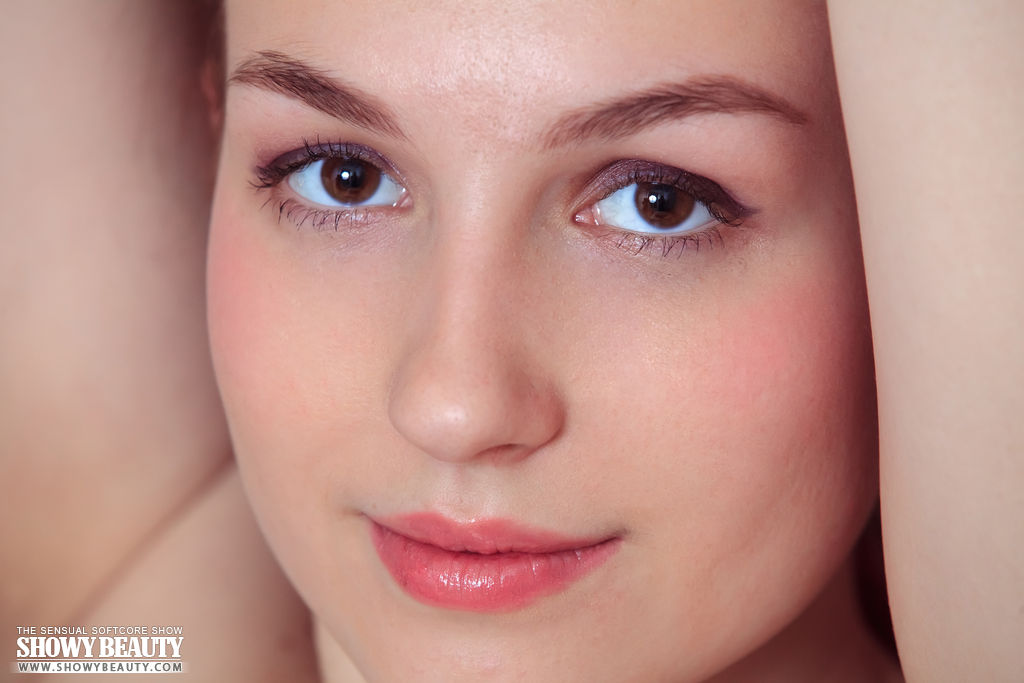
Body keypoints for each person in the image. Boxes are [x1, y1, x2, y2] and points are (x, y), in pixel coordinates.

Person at [3, 1, 1021, 681]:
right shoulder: (121, 647)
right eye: (343, 175)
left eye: (659, 202)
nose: (454, 404)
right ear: (216, 133)